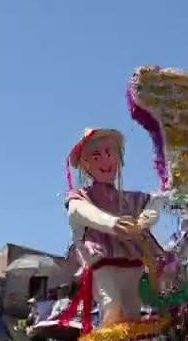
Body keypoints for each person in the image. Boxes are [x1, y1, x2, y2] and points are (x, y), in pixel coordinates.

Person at [60, 127, 165, 330]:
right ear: (85, 164)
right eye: (96, 156)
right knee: (112, 305)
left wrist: (144, 220)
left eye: (109, 153)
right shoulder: (81, 197)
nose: (105, 161)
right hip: (103, 262)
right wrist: (113, 224)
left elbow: (156, 203)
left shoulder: (131, 199)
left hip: (133, 261)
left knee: (134, 309)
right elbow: (79, 212)